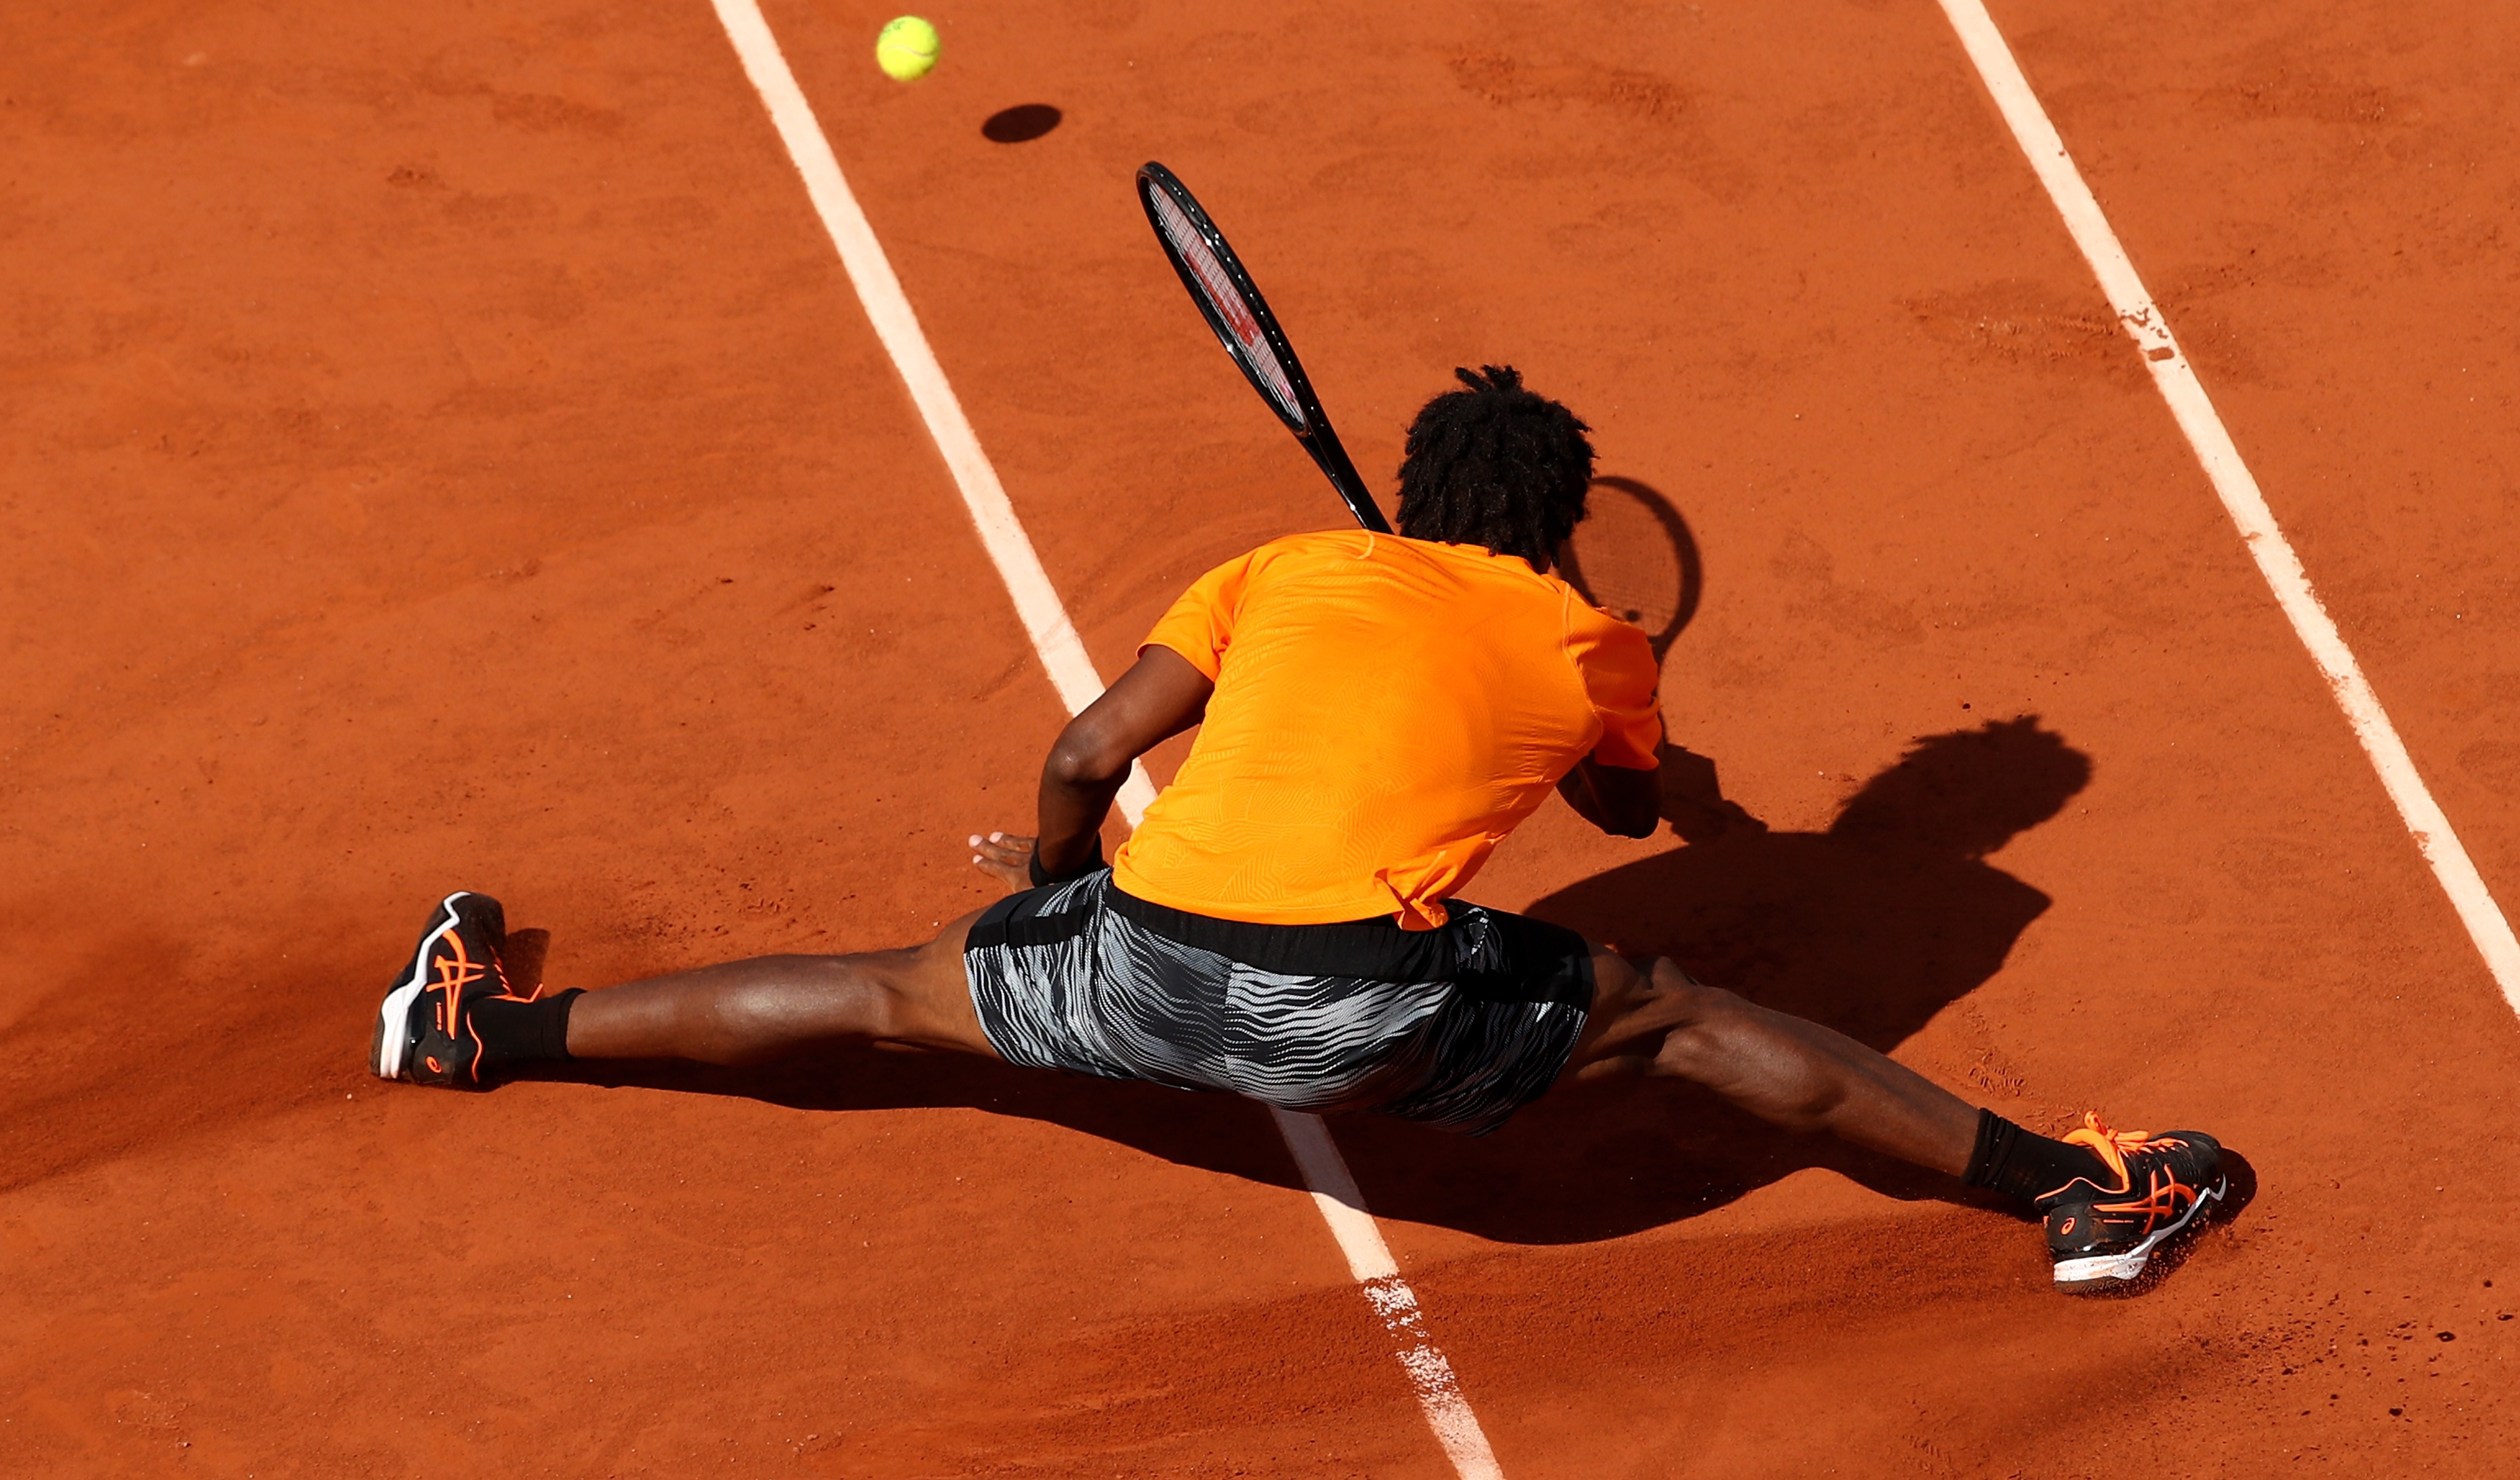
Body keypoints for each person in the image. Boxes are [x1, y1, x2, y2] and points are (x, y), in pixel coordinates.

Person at [372, 366, 2229, 1291]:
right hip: (1358, 1020)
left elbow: (1087, 747)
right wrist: (1646, 750)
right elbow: (1620, 800)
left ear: (1407, 493)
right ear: (1564, 524)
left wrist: (1054, 885)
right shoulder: (1594, 641)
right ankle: (2075, 1196)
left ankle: (481, 1032)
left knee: (884, 993)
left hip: (1132, 962)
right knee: (1678, 1012)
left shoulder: (1279, 567)